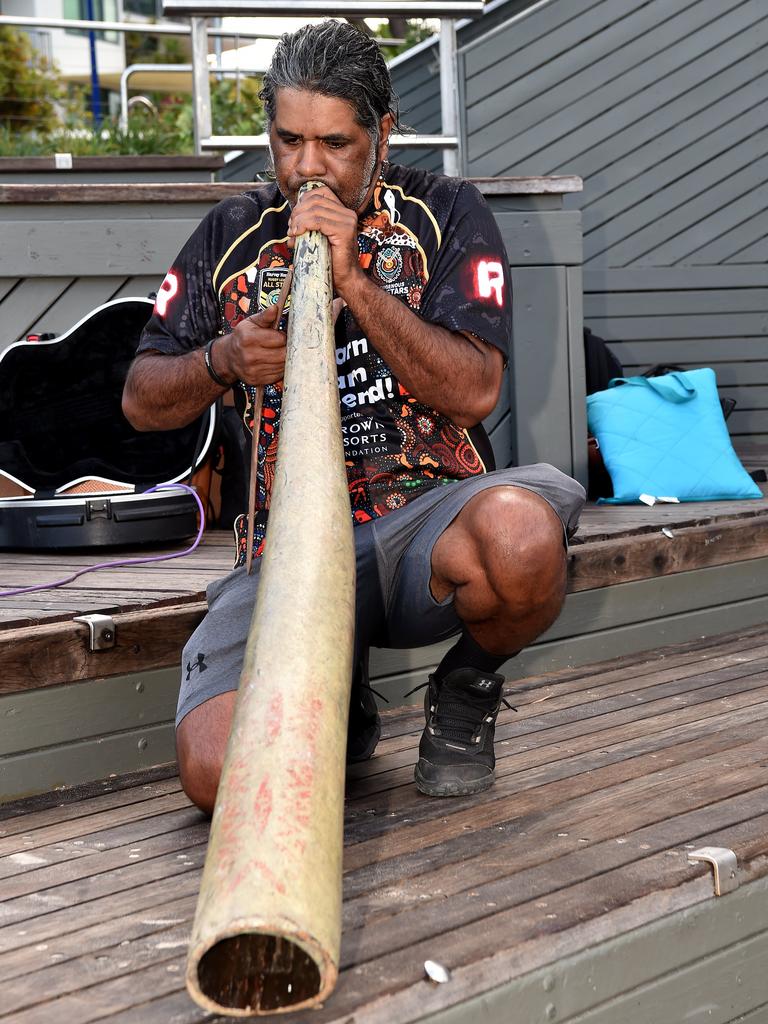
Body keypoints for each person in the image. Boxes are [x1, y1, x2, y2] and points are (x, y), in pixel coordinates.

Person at [122, 20, 585, 813]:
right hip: (282, 549)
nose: (308, 168)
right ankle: (340, 697)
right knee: (215, 775)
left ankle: (465, 688)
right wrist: (221, 361)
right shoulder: (231, 234)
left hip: (422, 529)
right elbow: (139, 398)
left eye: (335, 143)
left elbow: (476, 390)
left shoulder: (447, 212)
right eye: (289, 140)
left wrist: (356, 284)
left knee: (521, 536)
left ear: (382, 132)